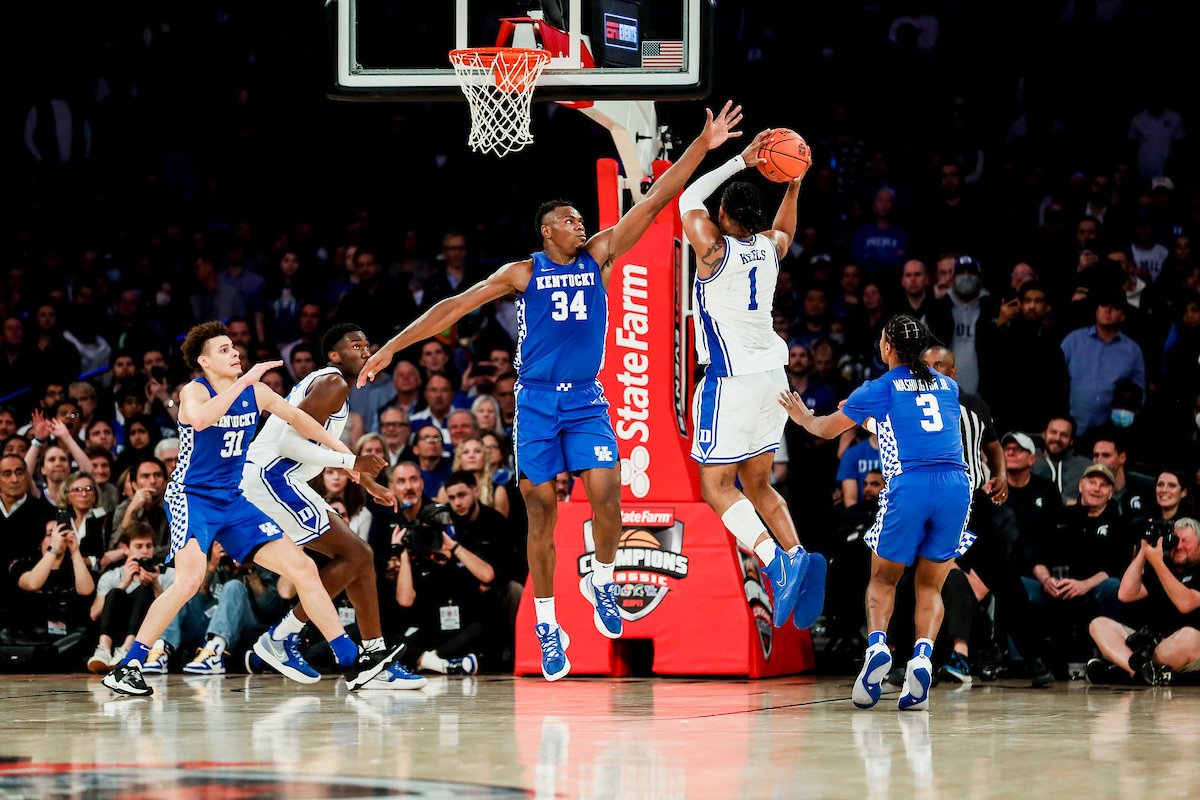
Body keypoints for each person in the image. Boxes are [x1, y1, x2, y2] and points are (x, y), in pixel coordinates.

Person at [361, 101, 749, 681]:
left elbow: (656, 198)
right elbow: (454, 305)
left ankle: (603, 580)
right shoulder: (523, 272)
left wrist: (703, 143)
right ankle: (548, 623)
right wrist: (392, 347)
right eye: (570, 220)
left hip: (586, 397)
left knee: (608, 492)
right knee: (540, 515)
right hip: (538, 401)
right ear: (548, 231)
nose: (581, 225)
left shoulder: (601, 255)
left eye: (580, 219)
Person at [102, 322, 399, 696]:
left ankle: (351, 661)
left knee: (303, 567)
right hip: (193, 497)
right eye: (224, 350)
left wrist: (348, 457)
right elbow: (201, 419)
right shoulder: (194, 391)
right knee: (189, 581)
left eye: (233, 346)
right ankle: (129, 665)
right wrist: (244, 384)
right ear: (204, 361)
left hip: (233, 497)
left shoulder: (257, 392)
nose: (235, 352)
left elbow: (299, 419)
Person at [780, 315, 972, 711]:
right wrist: (867, 415)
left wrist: (802, 418)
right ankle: (921, 656)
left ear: (886, 348)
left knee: (883, 579)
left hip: (911, 486)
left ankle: (878, 649)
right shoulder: (948, 386)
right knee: (931, 585)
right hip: (956, 487)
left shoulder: (878, 387)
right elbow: (911, 424)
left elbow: (826, 430)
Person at [678, 128, 824, 631]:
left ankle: (776, 561)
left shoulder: (714, 252)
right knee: (759, 483)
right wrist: (794, 185)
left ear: (723, 218)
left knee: (717, 484)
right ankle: (798, 554)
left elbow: (688, 195)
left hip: (732, 380)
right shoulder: (769, 247)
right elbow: (787, 230)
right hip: (773, 380)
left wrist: (740, 159)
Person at [241, 323, 424, 689]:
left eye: (367, 345)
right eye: (354, 345)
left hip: (284, 479)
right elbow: (290, 446)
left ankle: (374, 659)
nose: (364, 350)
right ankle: (281, 638)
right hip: (271, 478)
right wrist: (353, 463)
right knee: (356, 555)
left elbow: (319, 445)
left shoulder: (334, 387)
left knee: (360, 556)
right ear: (334, 355)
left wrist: (364, 478)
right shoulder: (334, 382)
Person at [1088, 518, 1200, 686]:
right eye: (1175, 540)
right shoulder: (1163, 564)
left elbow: (1186, 604)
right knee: (1098, 624)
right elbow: (1125, 594)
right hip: (1151, 648)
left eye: (1186, 541)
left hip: (1184, 650)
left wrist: (1157, 562)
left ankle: (1123, 672)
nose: (1179, 545)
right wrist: (1144, 551)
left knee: (1189, 635)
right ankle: (1141, 672)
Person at [87, 523, 173, 673]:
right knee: (115, 592)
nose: (145, 551)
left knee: (144, 590)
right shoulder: (112, 576)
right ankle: (103, 650)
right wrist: (124, 583)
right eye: (139, 546)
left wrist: (155, 585)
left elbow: (173, 614)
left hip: (147, 638)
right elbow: (95, 614)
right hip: (118, 632)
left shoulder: (166, 574)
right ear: (126, 549)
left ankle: (128, 650)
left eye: (149, 546)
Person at [1060, 292, 1146, 435]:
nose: (1108, 310)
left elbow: (1139, 393)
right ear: (1096, 311)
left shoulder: (1133, 350)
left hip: (1111, 434)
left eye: (1115, 307)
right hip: (1069, 429)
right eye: (1104, 305)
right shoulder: (1073, 341)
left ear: (1123, 315)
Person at [1032, 415, 1091, 505]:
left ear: (1071, 441)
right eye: (1053, 432)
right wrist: (1065, 501)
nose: (1057, 438)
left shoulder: (1085, 466)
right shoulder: (1030, 460)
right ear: (1044, 435)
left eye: (1064, 435)